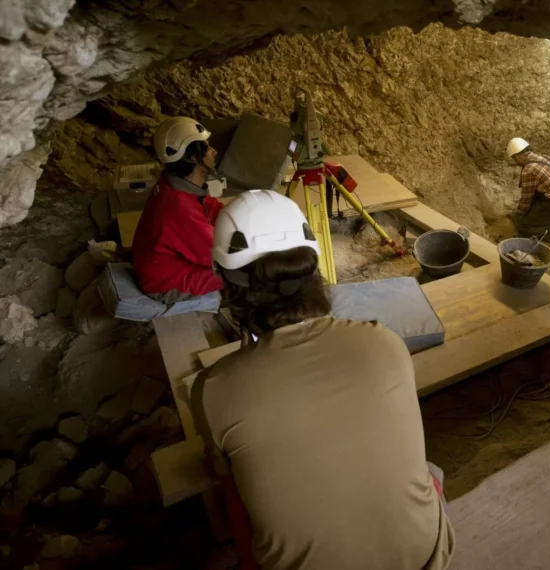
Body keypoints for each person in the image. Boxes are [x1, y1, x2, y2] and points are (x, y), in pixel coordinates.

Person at [191, 189, 455, 570]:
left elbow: (227, 481)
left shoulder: (214, 390)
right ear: (312, 268)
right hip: (423, 557)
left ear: (227, 284)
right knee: (428, 472)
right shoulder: (385, 342)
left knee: (234, 489)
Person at [132, 116, 225, 304]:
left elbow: (210, 208)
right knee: (240, 273)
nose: (213, 151)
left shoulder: (174, 184)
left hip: (162, 265)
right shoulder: (180, 208)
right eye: (207, 147)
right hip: (163, 284)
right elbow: (220, 256)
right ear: (193, 157)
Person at [506, 137, 550, 245]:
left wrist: (519, 216)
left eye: (514, 159)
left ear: (517, 157)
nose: (516, 162)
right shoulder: (546, 158)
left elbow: (526, 199)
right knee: (532, 209)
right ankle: (548, 221)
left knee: (523, 226)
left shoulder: (529, 169)